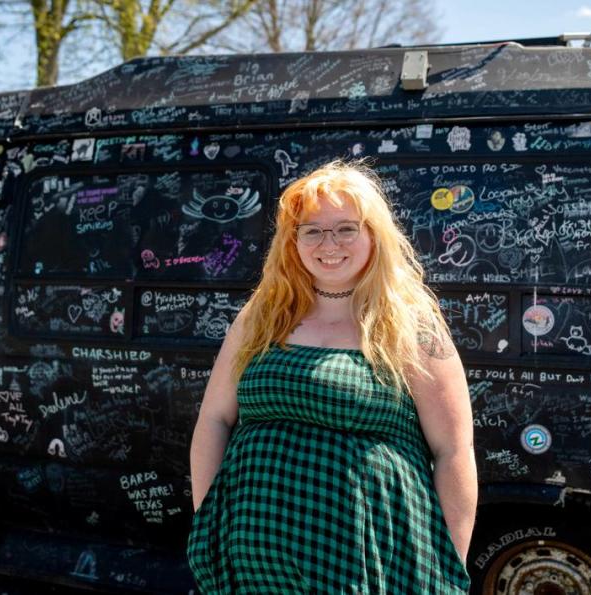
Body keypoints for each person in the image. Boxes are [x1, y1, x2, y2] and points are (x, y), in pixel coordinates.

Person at [187, 160, 477, 593]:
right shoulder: (261, 317)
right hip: (252, 549)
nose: (329, 244)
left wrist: (445, 566)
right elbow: (214, 419)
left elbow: (453, 449)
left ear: (373, 235)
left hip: (364, 555)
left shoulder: (411, 325)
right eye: (312, 230)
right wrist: (210, 520)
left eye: (346, 228)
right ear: (293, 241)